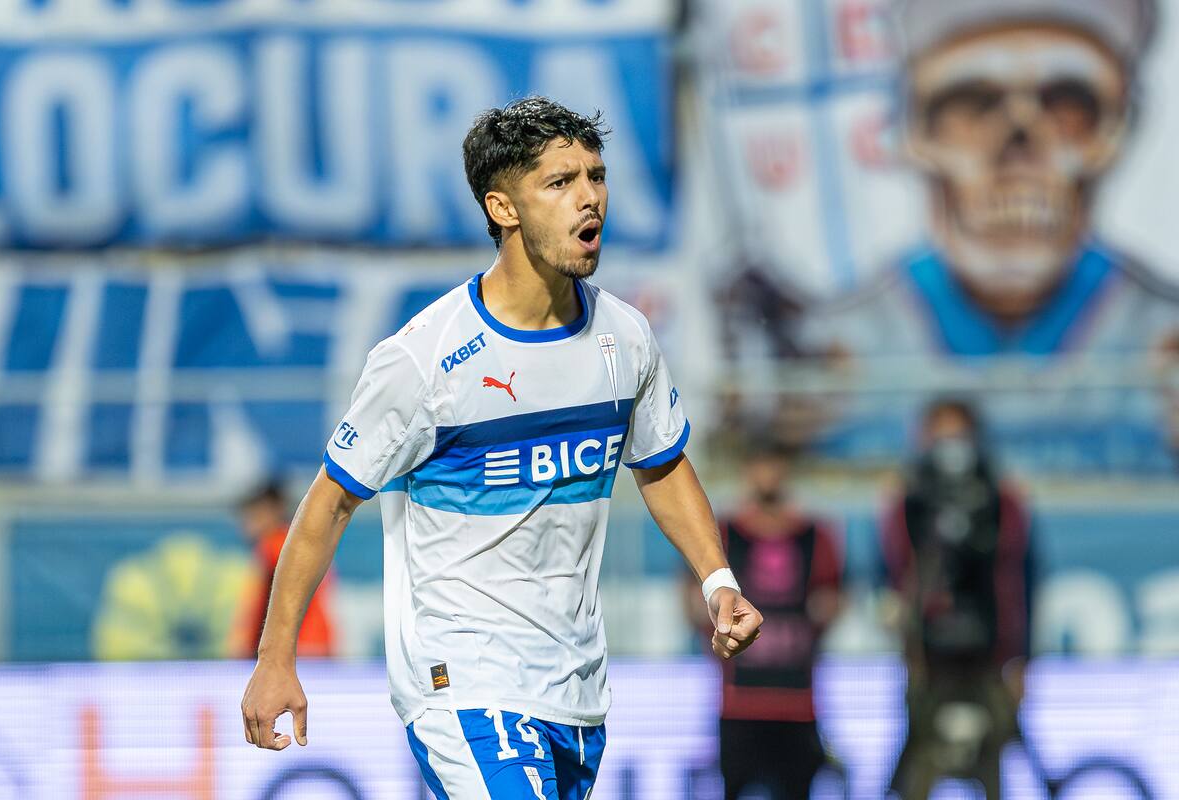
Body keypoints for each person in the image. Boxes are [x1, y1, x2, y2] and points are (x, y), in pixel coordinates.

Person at [239, 96, 764, 798]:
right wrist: (276, 658)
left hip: (575, 686)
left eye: (596, 176)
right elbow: (329, 503)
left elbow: (662, 465)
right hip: (464, 681)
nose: (590, 199)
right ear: (504, 208)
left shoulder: (625, 338)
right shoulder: (424, 359)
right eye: (560, 182)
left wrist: (718, 580)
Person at [797, 0, 1179, 474]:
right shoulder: (839, 343)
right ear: (914, 132)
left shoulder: (1162, 330)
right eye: (970, 105)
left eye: (1067, 106)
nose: (1018, 150)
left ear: (1119, 128)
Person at [882, 398, 1034, 800]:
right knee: (919, 762)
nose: (950, 447)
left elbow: (1021, 579)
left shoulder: (1001, 502)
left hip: (989, 657)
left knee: (991, 765)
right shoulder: (910, 502)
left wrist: (1020, 658)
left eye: (959, 435)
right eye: (940, 435)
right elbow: (895, 574)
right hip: (929, 659)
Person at [687, 442, 843, 800]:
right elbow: (693, 598)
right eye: (760, 464)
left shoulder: (815, 535)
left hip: (798, 702)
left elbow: (832, 600)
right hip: (740, 701)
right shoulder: (723, 534)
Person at [233, 480, 337, 659]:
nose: (246, 525)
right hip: (317, 646)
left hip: (293, 651)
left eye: (254, 515)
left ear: (274, 511)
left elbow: (263, 605)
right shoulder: (303, 542)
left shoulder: (274, 545)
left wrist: (247, 649)